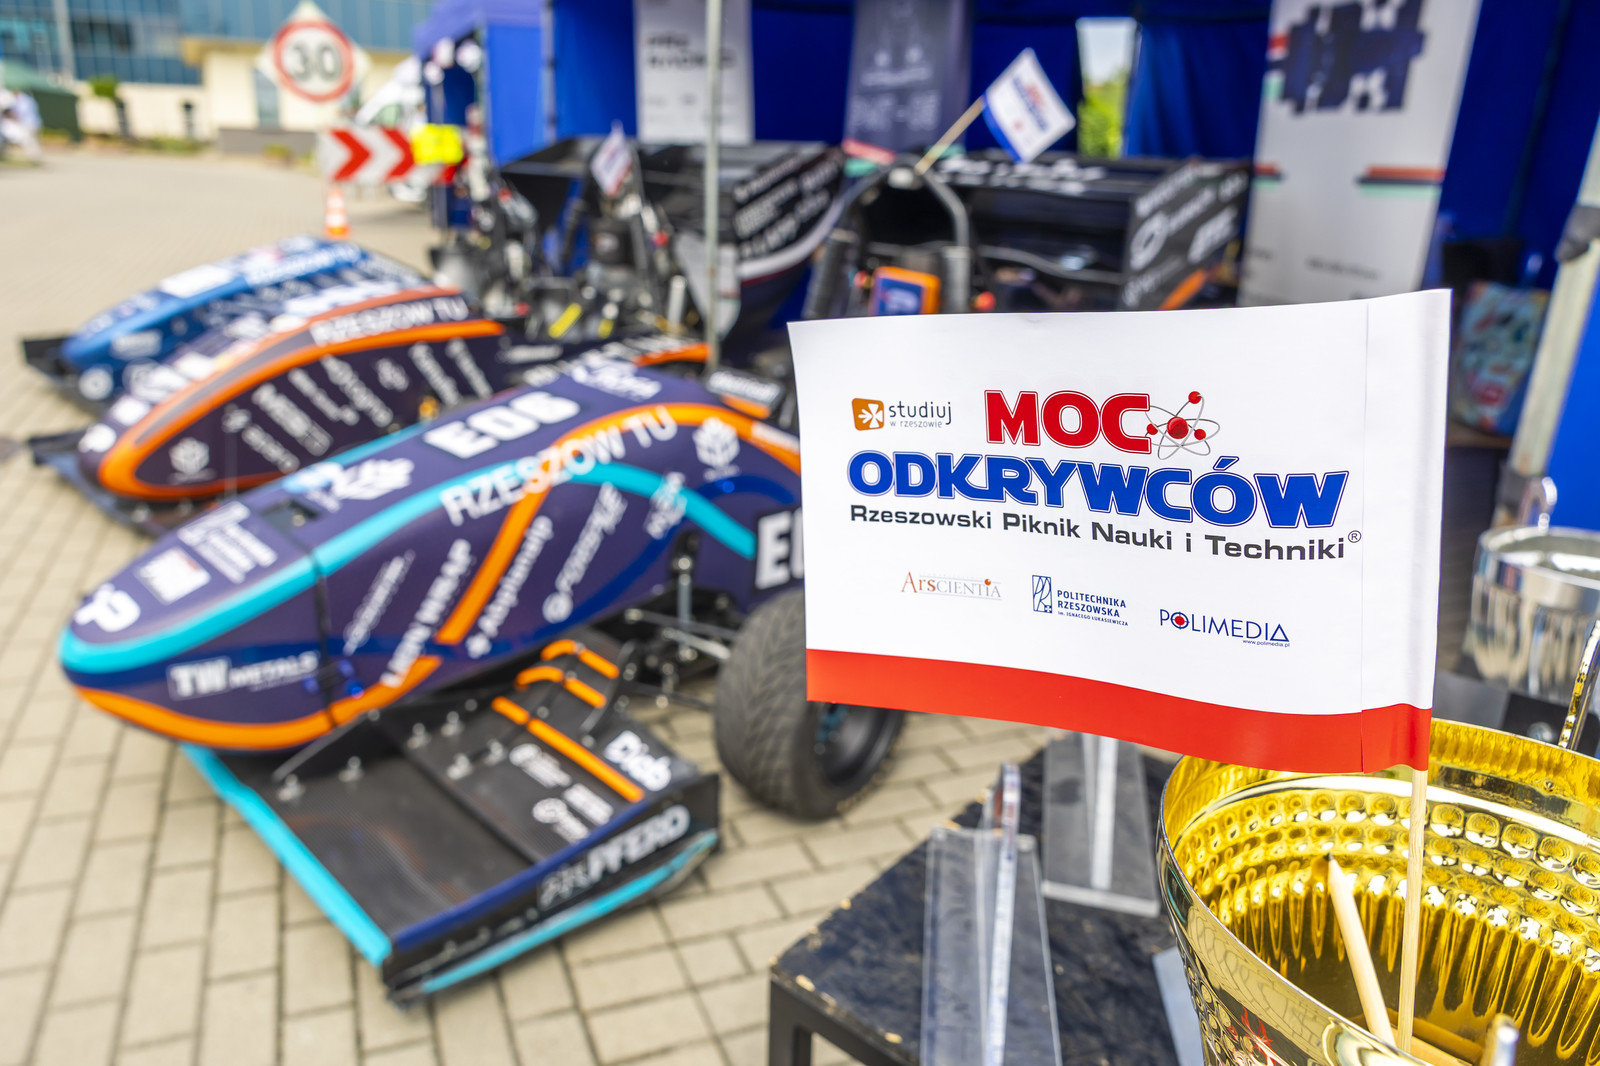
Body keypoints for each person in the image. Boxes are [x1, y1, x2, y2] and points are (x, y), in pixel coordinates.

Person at [0, 88, 43, 164]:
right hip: (34, 123)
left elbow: (19, 114)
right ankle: (35, 158)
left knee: (29, 141)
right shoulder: (29, 100)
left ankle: (35, 159)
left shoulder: (21, 101)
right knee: (31, 141)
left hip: (28, 124)